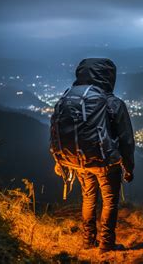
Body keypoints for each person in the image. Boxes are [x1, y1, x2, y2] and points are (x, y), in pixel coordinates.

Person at [51, 58, 135, 254]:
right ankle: (107, 244)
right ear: (108, 76)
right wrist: (129, 167)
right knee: (109, 200)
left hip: (78, 161)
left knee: (88, 197)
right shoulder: (111, 102)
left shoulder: (68, 98)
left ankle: (88, 240)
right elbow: (126, 139)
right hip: (106, 162)